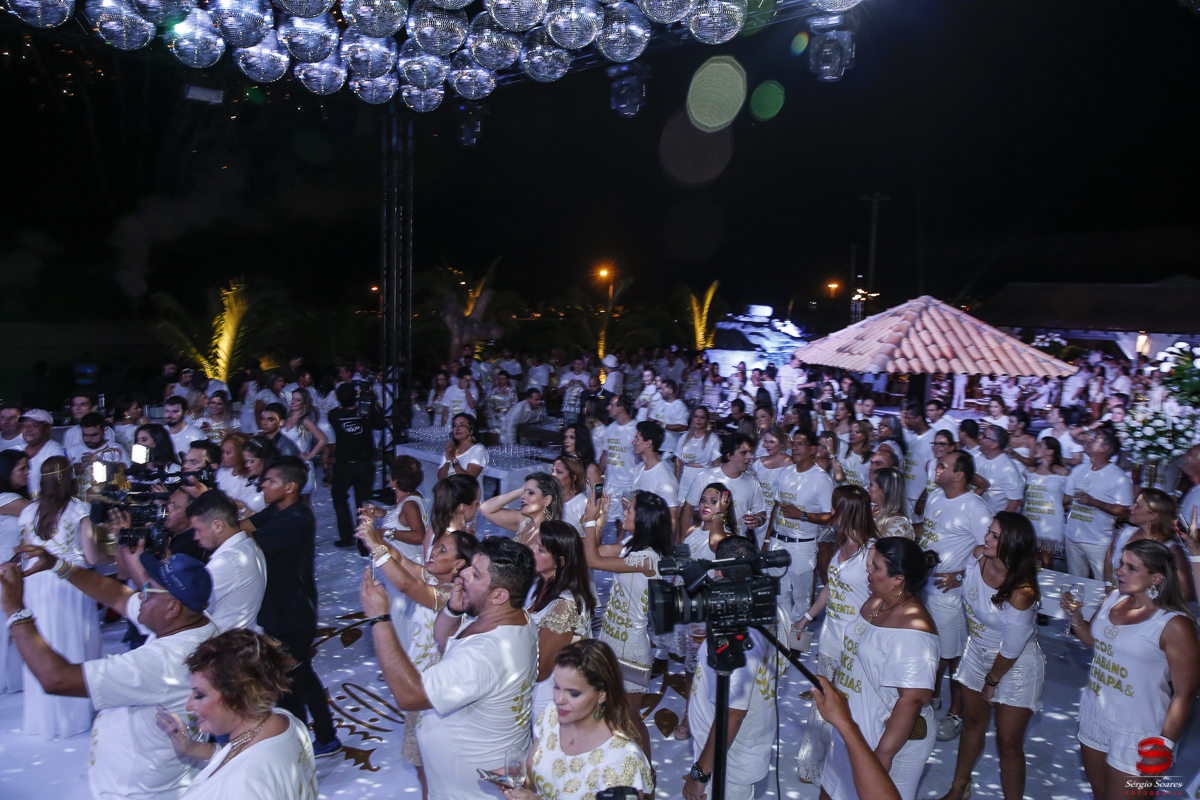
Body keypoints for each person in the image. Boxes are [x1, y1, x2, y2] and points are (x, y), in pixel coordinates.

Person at [2, 546, 217, 799]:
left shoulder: (164, 661)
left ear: (172, 608)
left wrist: (15, 610)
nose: (140, 595)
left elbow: (55, 679)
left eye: (147, 591)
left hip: (135, 790)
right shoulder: (198, 624)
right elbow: (118, 596)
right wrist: (58, 565)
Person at [362, 536, 539, 800]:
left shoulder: (486, 653)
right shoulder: (516, 617)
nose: (463, 573)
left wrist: (380, 618)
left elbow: (409, 696)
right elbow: (445, 640)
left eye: (475, 573)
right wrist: (455, 610)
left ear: (499, 595)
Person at [1063, 540, 1199, 800]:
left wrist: (1164, 746)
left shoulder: (1174, 625)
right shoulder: (1114, 597)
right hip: (1095, 714)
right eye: (1120, 564)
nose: (1120, 572)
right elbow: (1092, 641)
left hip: (1140, 732)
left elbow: (1185, 692)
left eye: (1131, 568)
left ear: (1156, 578)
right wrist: (1075, 617)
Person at [819, 536, 939, 800]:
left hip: (886, 742)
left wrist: (882, 756)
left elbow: (913, 699)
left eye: (875, 567)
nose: (868, 570)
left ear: (898, 578)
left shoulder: (915, 629)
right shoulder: (875, 602)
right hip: (853, 726)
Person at [935, 513, 1044, 800]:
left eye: (996, 536)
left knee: (1008, 744)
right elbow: (968, 576)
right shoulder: (978, 557)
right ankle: (959, 789)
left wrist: (991, 681)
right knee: (972, 724)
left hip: (1014, 666)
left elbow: (1011, 649)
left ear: (1014, 544)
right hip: (976, 654)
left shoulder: (1022, 591)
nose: (986, 538)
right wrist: (956, 578)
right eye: (989, 532)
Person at [242, 458, 342, 755]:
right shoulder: (278, 509)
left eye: (270, 480)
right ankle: (326, 736)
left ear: (290, 487)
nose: (263, 484)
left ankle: (297, 753)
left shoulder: (297, 517)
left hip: (292, 613)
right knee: (301, 674)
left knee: (288, 686)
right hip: (283, 608)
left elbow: (247, 540)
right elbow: (243, 527)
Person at [683, 535, 790, 800]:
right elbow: (782, 667)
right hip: (732, 747)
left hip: (729, 759)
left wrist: (701, 773)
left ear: (717, 570)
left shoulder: (737, 630)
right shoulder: (773, 607)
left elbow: (733, 714)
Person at [153, 629, 316, 799]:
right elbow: (243, 753)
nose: (189, 705)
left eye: (200, 694)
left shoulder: (241, 786)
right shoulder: (283, 721)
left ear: (238, 696)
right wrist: (191, 748)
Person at [18, 455, 109, 739]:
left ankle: (45, 715)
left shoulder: (27, 512)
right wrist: (117, 551)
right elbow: (94, 556)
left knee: (43, 642)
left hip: (37, 581)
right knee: (73, 640)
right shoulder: (81, 510)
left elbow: (25, 551)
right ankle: (76, 714)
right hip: (71, 579)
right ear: (71, 478)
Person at [499, 640, 653, 800]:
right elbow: (531, 768)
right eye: (557, 687)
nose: (559, 699)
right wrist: (518, 782)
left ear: (602, 694)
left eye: (573, 693)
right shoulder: (553, 714)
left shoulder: (622, 758)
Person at [581, 489, 673, 757]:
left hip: (631, 651)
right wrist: (599, 521)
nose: (625, 512)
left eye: (629, 510)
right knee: (607, 713)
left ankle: (646, 776)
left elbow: (592, 560)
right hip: (610, 642)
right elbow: (595, 549)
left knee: (630, 718)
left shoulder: (648, 559)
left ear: (643, 518)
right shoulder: (633, 545)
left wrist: (588, 522)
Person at [795, 485, 877, 784]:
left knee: (851, 705)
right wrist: (806, 617)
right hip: (831, 635)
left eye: (835, 507)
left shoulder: (873, 550)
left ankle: (848, 767)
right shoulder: (838, 541)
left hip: (858, 642)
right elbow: (831, 586)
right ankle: (815, 765)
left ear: (848, 511)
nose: (830, 513)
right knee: (824, 698)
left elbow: (881, 596)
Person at [918, 450, 993, 739]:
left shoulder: (975, 508)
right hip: (926, 585)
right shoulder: (936, 497)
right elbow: (930, 533)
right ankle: (933, 695)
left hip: (950, 595)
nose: (936, 469)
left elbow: (990, 551)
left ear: (959, 475)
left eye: (942, 466)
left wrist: (961, 575)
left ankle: (957, 713)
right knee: (932, 648)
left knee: (957, 657)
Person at [525, 521, 593, 723]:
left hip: (548, 701)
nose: (532, 551)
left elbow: (540, 670)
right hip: (532, 692)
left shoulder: (566, 606)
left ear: (559, 561)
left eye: (540, 549)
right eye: (534, 544)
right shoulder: (539, 583)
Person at [769, 430, 835, 633]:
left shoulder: (821, 479)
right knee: (779, 594)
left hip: (803, 545)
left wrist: (802, 515)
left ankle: (796, 642)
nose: (794, 448)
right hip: (778, 541)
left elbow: (830, 516)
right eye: (793, 443)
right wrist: (766, 539)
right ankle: (782, 639)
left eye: (800, 444)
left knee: (801, 597)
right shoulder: (784, 473)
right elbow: (776, 506)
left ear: (812, 449)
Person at [1062, 427, 1133, 580]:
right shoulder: (1078, 470)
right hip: (1072, 537)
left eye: (1095, 439)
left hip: (1098, 542)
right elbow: (1066, 500)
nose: (1089, 440)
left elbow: (1126, 511)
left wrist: (1094, 502)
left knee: (1104, 583)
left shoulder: (1118, 476)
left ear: (1105, 448)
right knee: (1076, 581)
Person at [1104, 488, 1194, 601]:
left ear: (1153, 516)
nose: (1131, 508)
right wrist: (1108, 588)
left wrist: (1150, 605)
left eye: (1138, 506)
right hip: (1115, 601)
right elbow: (1108, 561)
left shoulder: (1170, 549)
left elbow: (1186, 592)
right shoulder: (1124, 533)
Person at [328, 382, 385, 550]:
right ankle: (363, 543)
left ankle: (346, 537)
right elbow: (380, 423)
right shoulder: (365, 414)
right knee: (363, 504)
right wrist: (372, 403)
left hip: (345, 466)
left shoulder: (334, 415)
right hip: (364, 466)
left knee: (340, 499)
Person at [680, 433, 766, 542]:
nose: (749, 457)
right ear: (729, 455)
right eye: (744, 453)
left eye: (750, 453)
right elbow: (688, 508)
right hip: (705, 543)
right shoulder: (705, 477)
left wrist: (758, 520)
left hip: (736, 544)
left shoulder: (753, 482)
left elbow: (761, 513)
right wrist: (683, 539)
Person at [0, 450, 30, 693]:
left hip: (14, 571)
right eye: (22, 469)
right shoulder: (6, 499)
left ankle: (15, 682)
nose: (28, 473)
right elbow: (41, 514)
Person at [1023, 436, 1070, 568]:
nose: (1036, 448)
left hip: (1050, 524)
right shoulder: (1030, 471)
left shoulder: (1063, 473)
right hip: (1030, 521)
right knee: (1029, 562)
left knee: (1046, 563)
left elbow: (1069, 497)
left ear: (1050, 451)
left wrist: (1056, 508)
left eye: (1040, 445)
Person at [480, 472, 563, 546]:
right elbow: (486, 509)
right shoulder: (525, 520)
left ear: (547, 500)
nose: (523, 496)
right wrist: (521, 490)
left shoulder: (549, 535)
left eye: (531, 493)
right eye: (523, 492)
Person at [630, 420, 680, 518]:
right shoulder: (639, 468)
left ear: (648, 443)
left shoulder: (665, 480)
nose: (633, 442)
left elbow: (671, 522)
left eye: (637, 439)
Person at [282, 389, 328, 493]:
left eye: (297, 400)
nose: (293, 402)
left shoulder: (306, 421)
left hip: (301, 466)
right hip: (285, 466)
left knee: (304, 501)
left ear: (304, 404)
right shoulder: (285, 418)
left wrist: (310, 456)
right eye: (292, 399)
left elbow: (323, 439)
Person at [674, 405, 722, 501]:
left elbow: (716, 465)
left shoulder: (713, 439)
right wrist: (675, 484)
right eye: (696, 416)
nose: (699, 420)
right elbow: (678, 464)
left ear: (707, 420)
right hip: (685, 480)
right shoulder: (684, 438)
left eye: (702, 417)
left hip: (704, 480)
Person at [975, 425, 1025, 514]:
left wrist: (1000, 524)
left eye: (984, 436)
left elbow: (1014, 501)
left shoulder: (1008, 468)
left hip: (991, 521)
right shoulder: (977, 457)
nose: (980, 438)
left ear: (994, 444)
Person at [900, 401, 936, 523]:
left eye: (909, 418)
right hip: (905, 494)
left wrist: (923, 498)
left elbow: (935, 472)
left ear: (919, 418)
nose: (906, 421)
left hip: (920, 497)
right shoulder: (909, 436)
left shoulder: (933, 438)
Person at [600, 394, 640, 500]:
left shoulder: (636, 428)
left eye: (611, 405)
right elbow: (605, 454)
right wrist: (599, 475)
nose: (608, 408)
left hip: (629, 485)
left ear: (620, 408)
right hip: (610, 485)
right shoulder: (610, 428)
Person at [19, 410, 66, 499]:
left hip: (47, 508)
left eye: (35, 425)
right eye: (24, 426)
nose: (28, 430)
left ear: (48, 428)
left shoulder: (56, 452)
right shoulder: (14, 450)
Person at [437, 412, 489, 480]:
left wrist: (453, 459)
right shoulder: (451, 447)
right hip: (448, 490)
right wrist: (448, 460)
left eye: (462, 425)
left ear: (471, 430)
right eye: (454, 425)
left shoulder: (478, 449)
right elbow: (441, 478)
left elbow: (468, 479)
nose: (457, 428)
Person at [871, 467, 915, 540]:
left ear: (884, 490)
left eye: (871, 485)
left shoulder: (898, 524)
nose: (868, 488)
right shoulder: (872, 510)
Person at [163, 396, 206, 462]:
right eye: (167, 411)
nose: (169, 415)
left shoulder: (196, 434)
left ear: (185, 412)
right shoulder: (159, 432)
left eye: (175, 411)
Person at [652, 378, 689, 455]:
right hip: (655, 445)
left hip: (670, 448)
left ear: (670, 391)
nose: (660, 391)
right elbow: (652, 419)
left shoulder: (680, 406)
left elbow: (683, 426)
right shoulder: (659, 403)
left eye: (663, 389)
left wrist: (664, 426)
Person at [562, 422, 603, 489]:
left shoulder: (591, 469)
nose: (566, 441)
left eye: (572, 437)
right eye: (565, 437)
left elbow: (599, 495)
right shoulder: (562, 463)